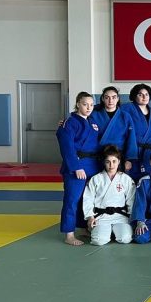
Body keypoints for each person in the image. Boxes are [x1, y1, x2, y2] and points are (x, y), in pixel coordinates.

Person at [56, 92, 102, 246]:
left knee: (86, 199)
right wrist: (76, 167)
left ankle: (83, 227)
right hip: (76, 165)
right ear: (77, 104)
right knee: (72, 199)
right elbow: (67, 147)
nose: (88, 107)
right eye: (85, 104)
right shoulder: (69, 123)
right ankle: (69, 234)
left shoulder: (92, 121)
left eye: (91, 105)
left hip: (92, 165)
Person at [82, 145, 135, 246]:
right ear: (104, 162)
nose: (111, 165)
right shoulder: (96, 179)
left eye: (114, 161)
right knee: (98, 240)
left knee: (125, 238)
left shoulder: (126, 179)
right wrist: (90, 217)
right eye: (108, 162)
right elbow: (88, 199)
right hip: (101, 216)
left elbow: (131, 199)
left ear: (119, 162)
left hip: (120, 216)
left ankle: (112, 232)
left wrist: (132, 217)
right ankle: (106, 232)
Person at [123, 83, 151, 181]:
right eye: (140, 94)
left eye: (146, 94)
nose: (144, 97)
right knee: (131, 180)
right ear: (134, 96)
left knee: (147, 180)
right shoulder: (126, 109)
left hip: (148, 154)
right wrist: (127, 158)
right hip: (131, 151)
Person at [90, 86, 136, 164]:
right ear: (102, 99)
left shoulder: (125, 116)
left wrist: (129, 159)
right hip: (99, 155)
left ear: (117, 99)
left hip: (118, 156)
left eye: (113, 97)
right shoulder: (94, 115)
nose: (110, 100)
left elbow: (131, 138)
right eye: (107, 97)